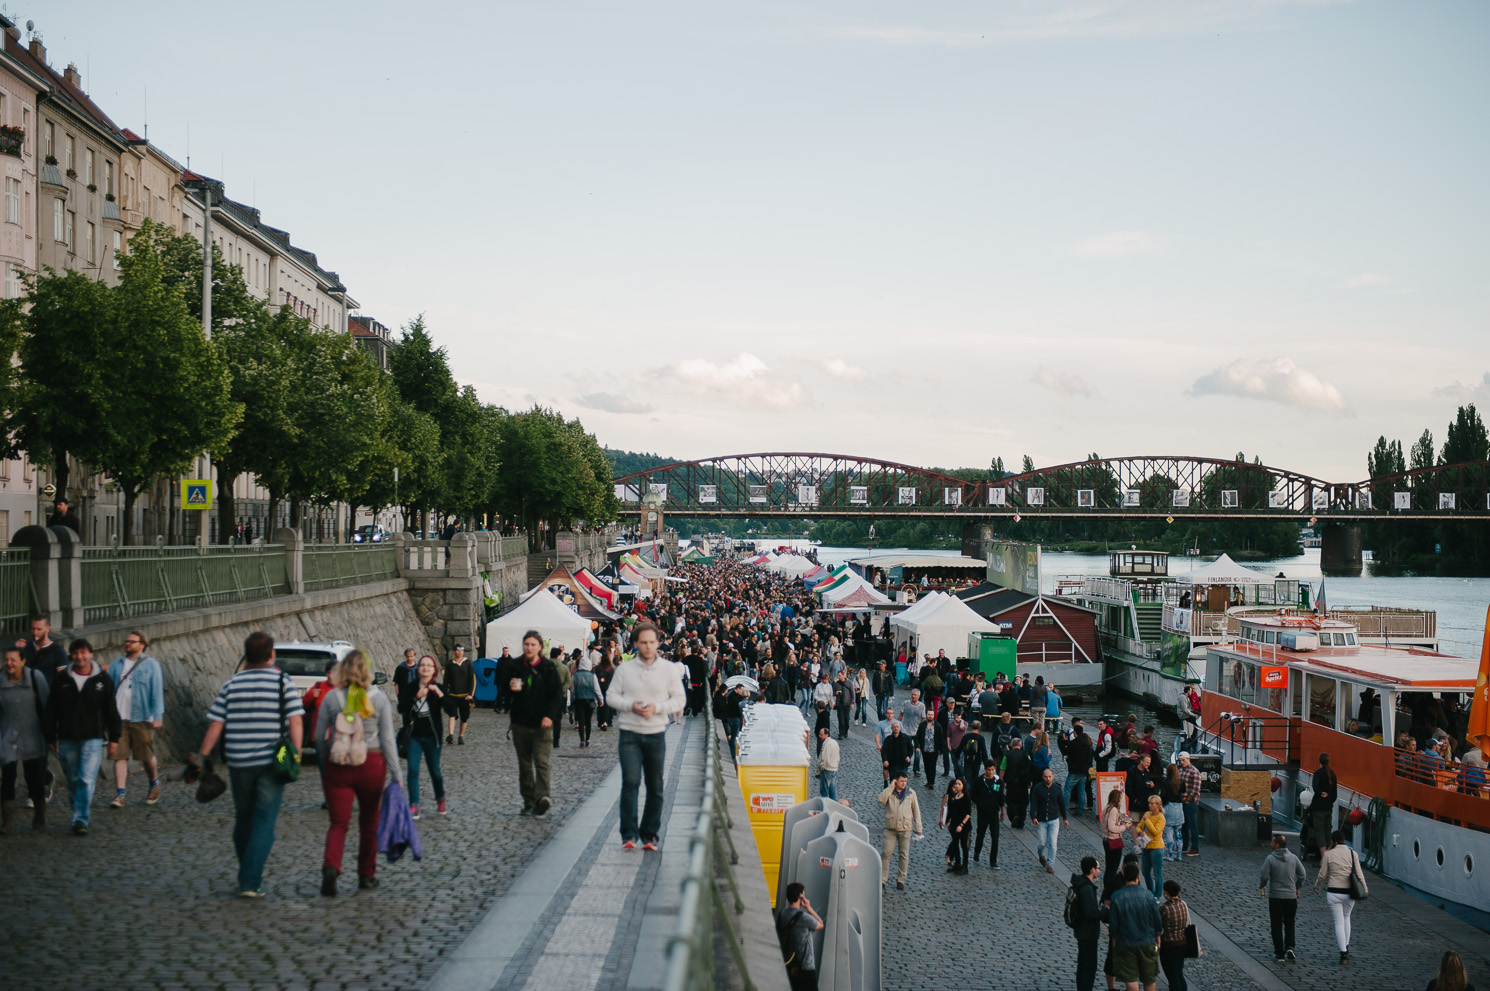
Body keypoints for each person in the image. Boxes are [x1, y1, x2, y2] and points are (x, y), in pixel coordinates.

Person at [192, 632, 304, 896]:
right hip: (273, 759)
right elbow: (295, 721)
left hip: (239, 760)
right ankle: (250, 880)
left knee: (244, 817)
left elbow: (216, 723)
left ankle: (248, 870)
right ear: (271, 654)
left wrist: (202, 757)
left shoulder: (232, 683)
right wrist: (296, 755)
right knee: (264, 819)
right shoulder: (281, 681)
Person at [313, 649, 403, 894]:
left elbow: (319, 737)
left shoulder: (332, 698)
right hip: (371, 764)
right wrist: (397, 775)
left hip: (338, 764)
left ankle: (331, 865)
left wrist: (326, 757)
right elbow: (388, 740)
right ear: (367, 670)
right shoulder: (379, 698)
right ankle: (366, 874)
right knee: (369, 821)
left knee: (338, 823)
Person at [607, 622, 687, 851]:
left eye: (652, 642)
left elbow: (680, 699)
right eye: (643, 642)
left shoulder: (669, 669)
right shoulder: (624, 670)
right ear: (635, 644)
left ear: (658, 643)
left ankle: (650, 833)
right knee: (630, 782)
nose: (648, 646)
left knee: (655, 785)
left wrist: (658, 708)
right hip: (629, 733)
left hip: (655, 733)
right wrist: (630, 705)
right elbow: (611, 696)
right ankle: (629, 833)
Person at [44, 638, 121, 836]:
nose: (80, 657)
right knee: (73, 779)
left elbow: (111, 709)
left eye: (84, 652)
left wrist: (114, 737)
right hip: (67, 738)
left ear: (91, 654)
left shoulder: (102, 679)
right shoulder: (62, 679)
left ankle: (79, 819)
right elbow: (51, 709)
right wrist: (50, 735)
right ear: (72, 656)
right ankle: (78, 809)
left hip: (93, 737)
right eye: (76, 653)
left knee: (86, 779)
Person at [105, 631, 165, 810]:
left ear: (142, 644)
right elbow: (109, 688)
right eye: (127, 641)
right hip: (119, 717)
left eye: (132, 641)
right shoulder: (117, 664)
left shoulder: (151, 665)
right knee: (119, 757)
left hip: (142, 717)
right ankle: (120, 794)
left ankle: (154, 783)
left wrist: (157, 717)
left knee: (145, 756)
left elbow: (156, 691)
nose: (128, 644)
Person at [505, 631, 562, 817]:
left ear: (539, 647)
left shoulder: (548, 668)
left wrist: (550, 716)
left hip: (542, 724)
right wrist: (510, 689)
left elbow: (556, 695)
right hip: (520, 723)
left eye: (532, 644)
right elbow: (503, 688)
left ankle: (543, 797)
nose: (529, 647)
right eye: (526, 644)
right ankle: (529, 801)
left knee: (541, 762)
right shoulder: (515, 666)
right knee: (525, 765)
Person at [1, 645, 49, 833]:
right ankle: (7, 822)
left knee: (34, 778)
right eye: (6, 660)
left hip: (32, 735)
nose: (9, 664)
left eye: (13, 660)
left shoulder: (35, 679)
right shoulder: (1, 682)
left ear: (23, 661)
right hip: (7, 737)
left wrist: (50, 735)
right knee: (7, 779)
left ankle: (39, 816)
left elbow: (46, 706)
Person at [398, 654, 446, 820]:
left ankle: (440, 798)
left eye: (429, 665)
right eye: (423, 665)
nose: (425, 667)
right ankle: (414, 804)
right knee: (413, 770)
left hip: (433, 737)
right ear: (418, 669)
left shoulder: (438, 687)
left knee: (435, 772)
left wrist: (439, 693)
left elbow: (452, 710)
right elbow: (401, 707)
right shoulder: (411, 687)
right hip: (414, 736)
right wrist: (416, 697)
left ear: (434, 670)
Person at [1313, 829, 1367, 964]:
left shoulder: (1328, 854)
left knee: (1338, 922)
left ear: (1333, 840)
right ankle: (1346, 947)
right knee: (1346, 917)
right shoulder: (1352, 853)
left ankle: (1343, 952)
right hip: (1349, 892)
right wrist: (1365, 888)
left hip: (1333, 892)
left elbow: (1322, 875)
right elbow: (1359, 873)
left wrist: (1316, 885)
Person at [1108, 861, 1163, 991]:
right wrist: (1158, 935)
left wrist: (1114, 939)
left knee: (1131, 978)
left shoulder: (1116, 897)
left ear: (1124, 875)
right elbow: (1157, 920)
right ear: (1138, 877)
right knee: (1149, 978)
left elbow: (1114, 924)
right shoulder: (1149, 896)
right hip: (1147, 941)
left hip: (1126, 942)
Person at [1259, 834, 1306, 962]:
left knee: (1276, 924)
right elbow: (1302, 875)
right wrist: (1297, 887)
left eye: (1272, 842)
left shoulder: (1270, 859)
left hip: (1276, 897)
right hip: (1291, 897)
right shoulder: (1294, 858)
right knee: (1290, 922)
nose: (1270, 844)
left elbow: (1264, 876)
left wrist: (1262, 885)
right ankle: (1290, 946)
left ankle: (1279, 953)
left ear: (1278, 845)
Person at [877, 770, 923, 890]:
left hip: (906, 827)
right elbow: (881, 799)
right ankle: (882, 879)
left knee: (904, 854)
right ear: (896, 781)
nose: (904, 783)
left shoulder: (911, 793)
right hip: (890, 828)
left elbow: (916, 811)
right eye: (901, 781)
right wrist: (890, 787)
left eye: (905, 781)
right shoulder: (890, 792)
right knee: (886, 853)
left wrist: (919, 827)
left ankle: (901, 879)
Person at [776, 881, 825, 991]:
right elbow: (820, 924)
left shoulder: (782, 914)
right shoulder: (803, 917)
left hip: (789, 965)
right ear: (800, 896)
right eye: (803, 894)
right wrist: (808, 908)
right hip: (806, 967)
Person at [1071, 855, 1108, 991]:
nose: (1099, 871)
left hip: (1082, 930)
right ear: (1092, 870)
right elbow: (1090, 912)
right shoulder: (1087, 888)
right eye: (1098, 868)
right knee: (1089, 967)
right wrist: (1104, 913)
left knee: (1083, 964)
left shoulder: (1081, 884)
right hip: (1088, 932)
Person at [1028, 767, 1069, 872]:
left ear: (1053, 777)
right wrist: (1033, 817)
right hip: (1041, 820)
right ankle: (1041, 855)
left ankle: (1050, 864)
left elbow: (1062, 804)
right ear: (1043, 777)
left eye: (1050, 777)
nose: (1048, 779)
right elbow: (1033, 804)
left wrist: (1065, 818)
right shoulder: (1037, 788)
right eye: (1046, 777)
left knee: (1053, 843)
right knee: (1042, 843)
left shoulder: (1057, 788)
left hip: (1054, 819)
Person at [969, 758, 1004, 870]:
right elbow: (973, 795)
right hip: (982, 813)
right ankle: (977, 852)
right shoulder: (979, 781)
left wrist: (1002, 811)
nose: (991, 772)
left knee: (995, 837)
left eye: (993, 770)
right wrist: (980, 803)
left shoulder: (998, 782)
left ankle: (993, 861)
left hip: (994, 813)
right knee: (980, 834)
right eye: (989, 770)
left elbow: (1001, 797)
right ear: (985, 769)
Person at [1100, 786, 1133, 895]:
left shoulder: (1107, 808)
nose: (1121, 801)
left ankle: (1107, 888)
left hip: (1106, 840)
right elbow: (1112, 827)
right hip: (1113, 840)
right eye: (1120, 799)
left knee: (1109, 867)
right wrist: (1125, 827)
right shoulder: (1113, 810)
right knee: (1113, 868)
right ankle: (1110, 889)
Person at [1158, 880, 1190, 991]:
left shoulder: (1165, 908)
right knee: (1179, 973)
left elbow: (1157, 922)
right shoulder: (1183, 904)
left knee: (1172, 976)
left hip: (1169, 945)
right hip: (1182, 943)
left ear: (1166, 893)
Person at [443, 645, 474, 745]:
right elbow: (445, 680)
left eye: (462, 650)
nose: (460, 652)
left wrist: (470, 694)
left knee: (464, 717)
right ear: (454, 651)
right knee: (452, 714)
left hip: (464, 695)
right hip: (452, 694)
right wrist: (444, 694)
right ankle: (451, 735)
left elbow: (472, 679)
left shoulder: (468, 663)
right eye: (458, 650)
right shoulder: (449, 664)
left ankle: (461, 736)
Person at [1308, 753, 1338, 860]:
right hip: (1328, 807)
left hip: (1318, 807)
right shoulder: (1333, 774)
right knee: (1327, 832)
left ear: (1319, 761)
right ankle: (1330, 858)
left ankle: (1324, 860)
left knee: (1320, 833)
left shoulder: (1318, 773)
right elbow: (1335, 794)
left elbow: (1315, 788)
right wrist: (1329, 801)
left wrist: (1321, 794)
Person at [571, 653, 603, 748]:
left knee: (581, 721)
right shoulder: (592, 676)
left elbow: (572, 689)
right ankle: (588, 739)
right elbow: (597, 689)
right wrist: (601, 699)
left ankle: (581, 740)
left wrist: (573, 699)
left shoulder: (575, 676)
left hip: (579, 700)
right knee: (588, 721)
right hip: (590, 700)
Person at [941, 776, 972, 873]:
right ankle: (958, 864)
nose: (957, 786)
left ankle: (965, 866)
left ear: (963, 786)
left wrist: (961, 825)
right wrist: (949, 822)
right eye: (956, 784)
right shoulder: (954, 796)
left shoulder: (966, 797)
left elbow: (968, 814)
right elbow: (952, 811)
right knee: (955, 844)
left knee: (964, 846)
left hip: (963, 825)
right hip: (954, 823)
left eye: (959, 784)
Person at [1177, 751, 1202, 857]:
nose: (1182, 762)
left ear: (1188, 759)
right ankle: (1184, 846)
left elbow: (1196, 789)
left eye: (1183, 760)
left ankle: (1195, 848)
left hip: (1190, 802)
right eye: (1180, 760)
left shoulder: (1194, 772)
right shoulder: (1180, 771)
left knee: (1192, 826)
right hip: (1182, 802)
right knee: (1184, 825)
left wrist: (1188, 799)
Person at [1065, 730, 1093, 816]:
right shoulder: (1088, 745)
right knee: (1081, 790)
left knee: (1067, 789)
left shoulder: (1074, 743)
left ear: (1075, 733)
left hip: (1074, 770)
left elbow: (1067, 752)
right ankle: (1080, 810)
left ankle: (1064, 809)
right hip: (1084, 771)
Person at [816, 727, 839, 800]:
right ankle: (834, 805)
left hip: (827, 769)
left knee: (824, 791)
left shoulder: (827, 744)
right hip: (834, 768)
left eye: (821, 735)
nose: (819, 736)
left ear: (827, 735)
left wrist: (821, 767)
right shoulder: (834, 742)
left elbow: (825, 758)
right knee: (832, 790)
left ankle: (825, 806)